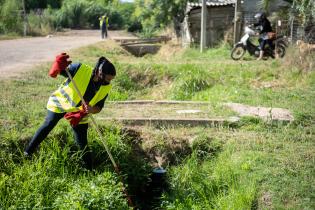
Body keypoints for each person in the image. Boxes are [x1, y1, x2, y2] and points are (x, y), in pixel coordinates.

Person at [24, 53, 116, 170]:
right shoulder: (80, 68)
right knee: (48, 124)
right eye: (108, 78)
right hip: (60, 103)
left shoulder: (106, 87)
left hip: (79, 112)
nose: (109, 82)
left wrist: (91, 109)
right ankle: (27, 152)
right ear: (100, 72)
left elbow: (99, 107)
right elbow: (61, 71)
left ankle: (89, 170)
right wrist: (58, 65)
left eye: (111, 79)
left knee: (82, 141)